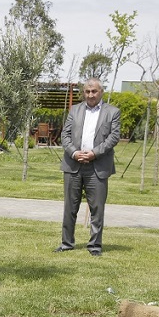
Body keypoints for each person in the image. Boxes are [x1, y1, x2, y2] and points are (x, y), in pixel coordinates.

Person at [56, 78, 121, 257]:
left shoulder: (113, 112)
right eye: (87, 91)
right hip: (73, 164)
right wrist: (74, 153)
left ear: (101, 92)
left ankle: (95, 246)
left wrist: (94, 153)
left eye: (94, 91)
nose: (90, 95)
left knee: (97, 209)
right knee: (70, 207)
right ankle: (66, 243)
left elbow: (113, 137)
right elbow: (65, 135)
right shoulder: (74, 110)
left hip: (97, 166)